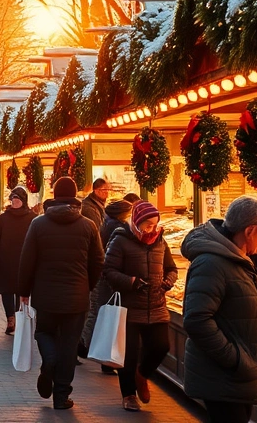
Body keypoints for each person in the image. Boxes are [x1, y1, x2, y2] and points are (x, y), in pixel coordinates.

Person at [181, 195, 257, 423]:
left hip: (237, 378)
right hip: (223, 376)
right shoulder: (212, 263)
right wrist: (235, 360)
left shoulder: (246, 261)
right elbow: (197, 320)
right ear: (250, 231)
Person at [18, 177, 103, 410]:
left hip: (45, 296)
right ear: (75, 197)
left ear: (54, 196)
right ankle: (61, 396)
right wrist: (86, 284)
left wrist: (24, 291)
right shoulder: (88, 225)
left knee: (44, 332)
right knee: (69, 345)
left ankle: (49, 362)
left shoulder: (38, 224)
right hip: (76, 298)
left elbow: (27, 261)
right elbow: (98, 262)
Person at [102, 201, 177, 412]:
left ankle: (142, 375)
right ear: (136, 222)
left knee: (161, 346)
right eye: (147, 224)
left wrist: (168, 281)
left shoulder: (161, 241)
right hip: (130, 306)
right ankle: (128, 395)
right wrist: (132, 282)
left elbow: (171, 268)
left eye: (154, 224)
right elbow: (108, 271)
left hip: (157, 305)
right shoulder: (120, 240)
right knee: (130, 354)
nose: (151, 229)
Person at [81, 198, 135, 372]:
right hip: (108, 279)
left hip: (102, 277)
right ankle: (85, 347)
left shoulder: (106, 224)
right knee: (104, 315)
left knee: (98, 313)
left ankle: (86, 347)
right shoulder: (118, 229)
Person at [0, 186, 37, 335]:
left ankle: (19, 317)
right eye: (13, 199)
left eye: (17, 199)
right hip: (5, 259)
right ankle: (11, 319)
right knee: (7, 291)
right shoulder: (3, 218)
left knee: (21, 290)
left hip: (24, 260)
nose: (14, 202)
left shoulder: (32, 218)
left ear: (24, 200)